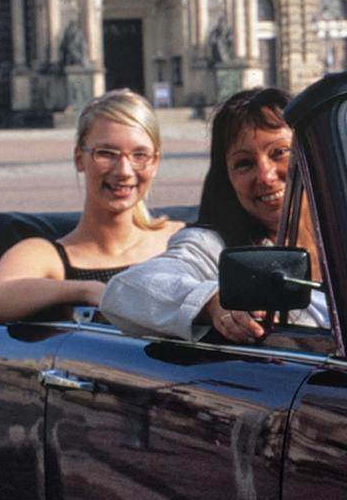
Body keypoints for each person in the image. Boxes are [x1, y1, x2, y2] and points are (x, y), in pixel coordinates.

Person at [99, 87, 327, 343]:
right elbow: (125, 291)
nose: (265, 176)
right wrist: (211, 301)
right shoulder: (212, 246)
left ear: (313, 154)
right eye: (244, 164)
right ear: (227, 180)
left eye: (280, 153)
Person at [0, 89, 179, 323]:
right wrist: (87, 291)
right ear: (79, 159)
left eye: (139, 155)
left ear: (155, 162)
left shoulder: (184, 240)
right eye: (106, 153)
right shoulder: (50, 255)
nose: (123, 171)